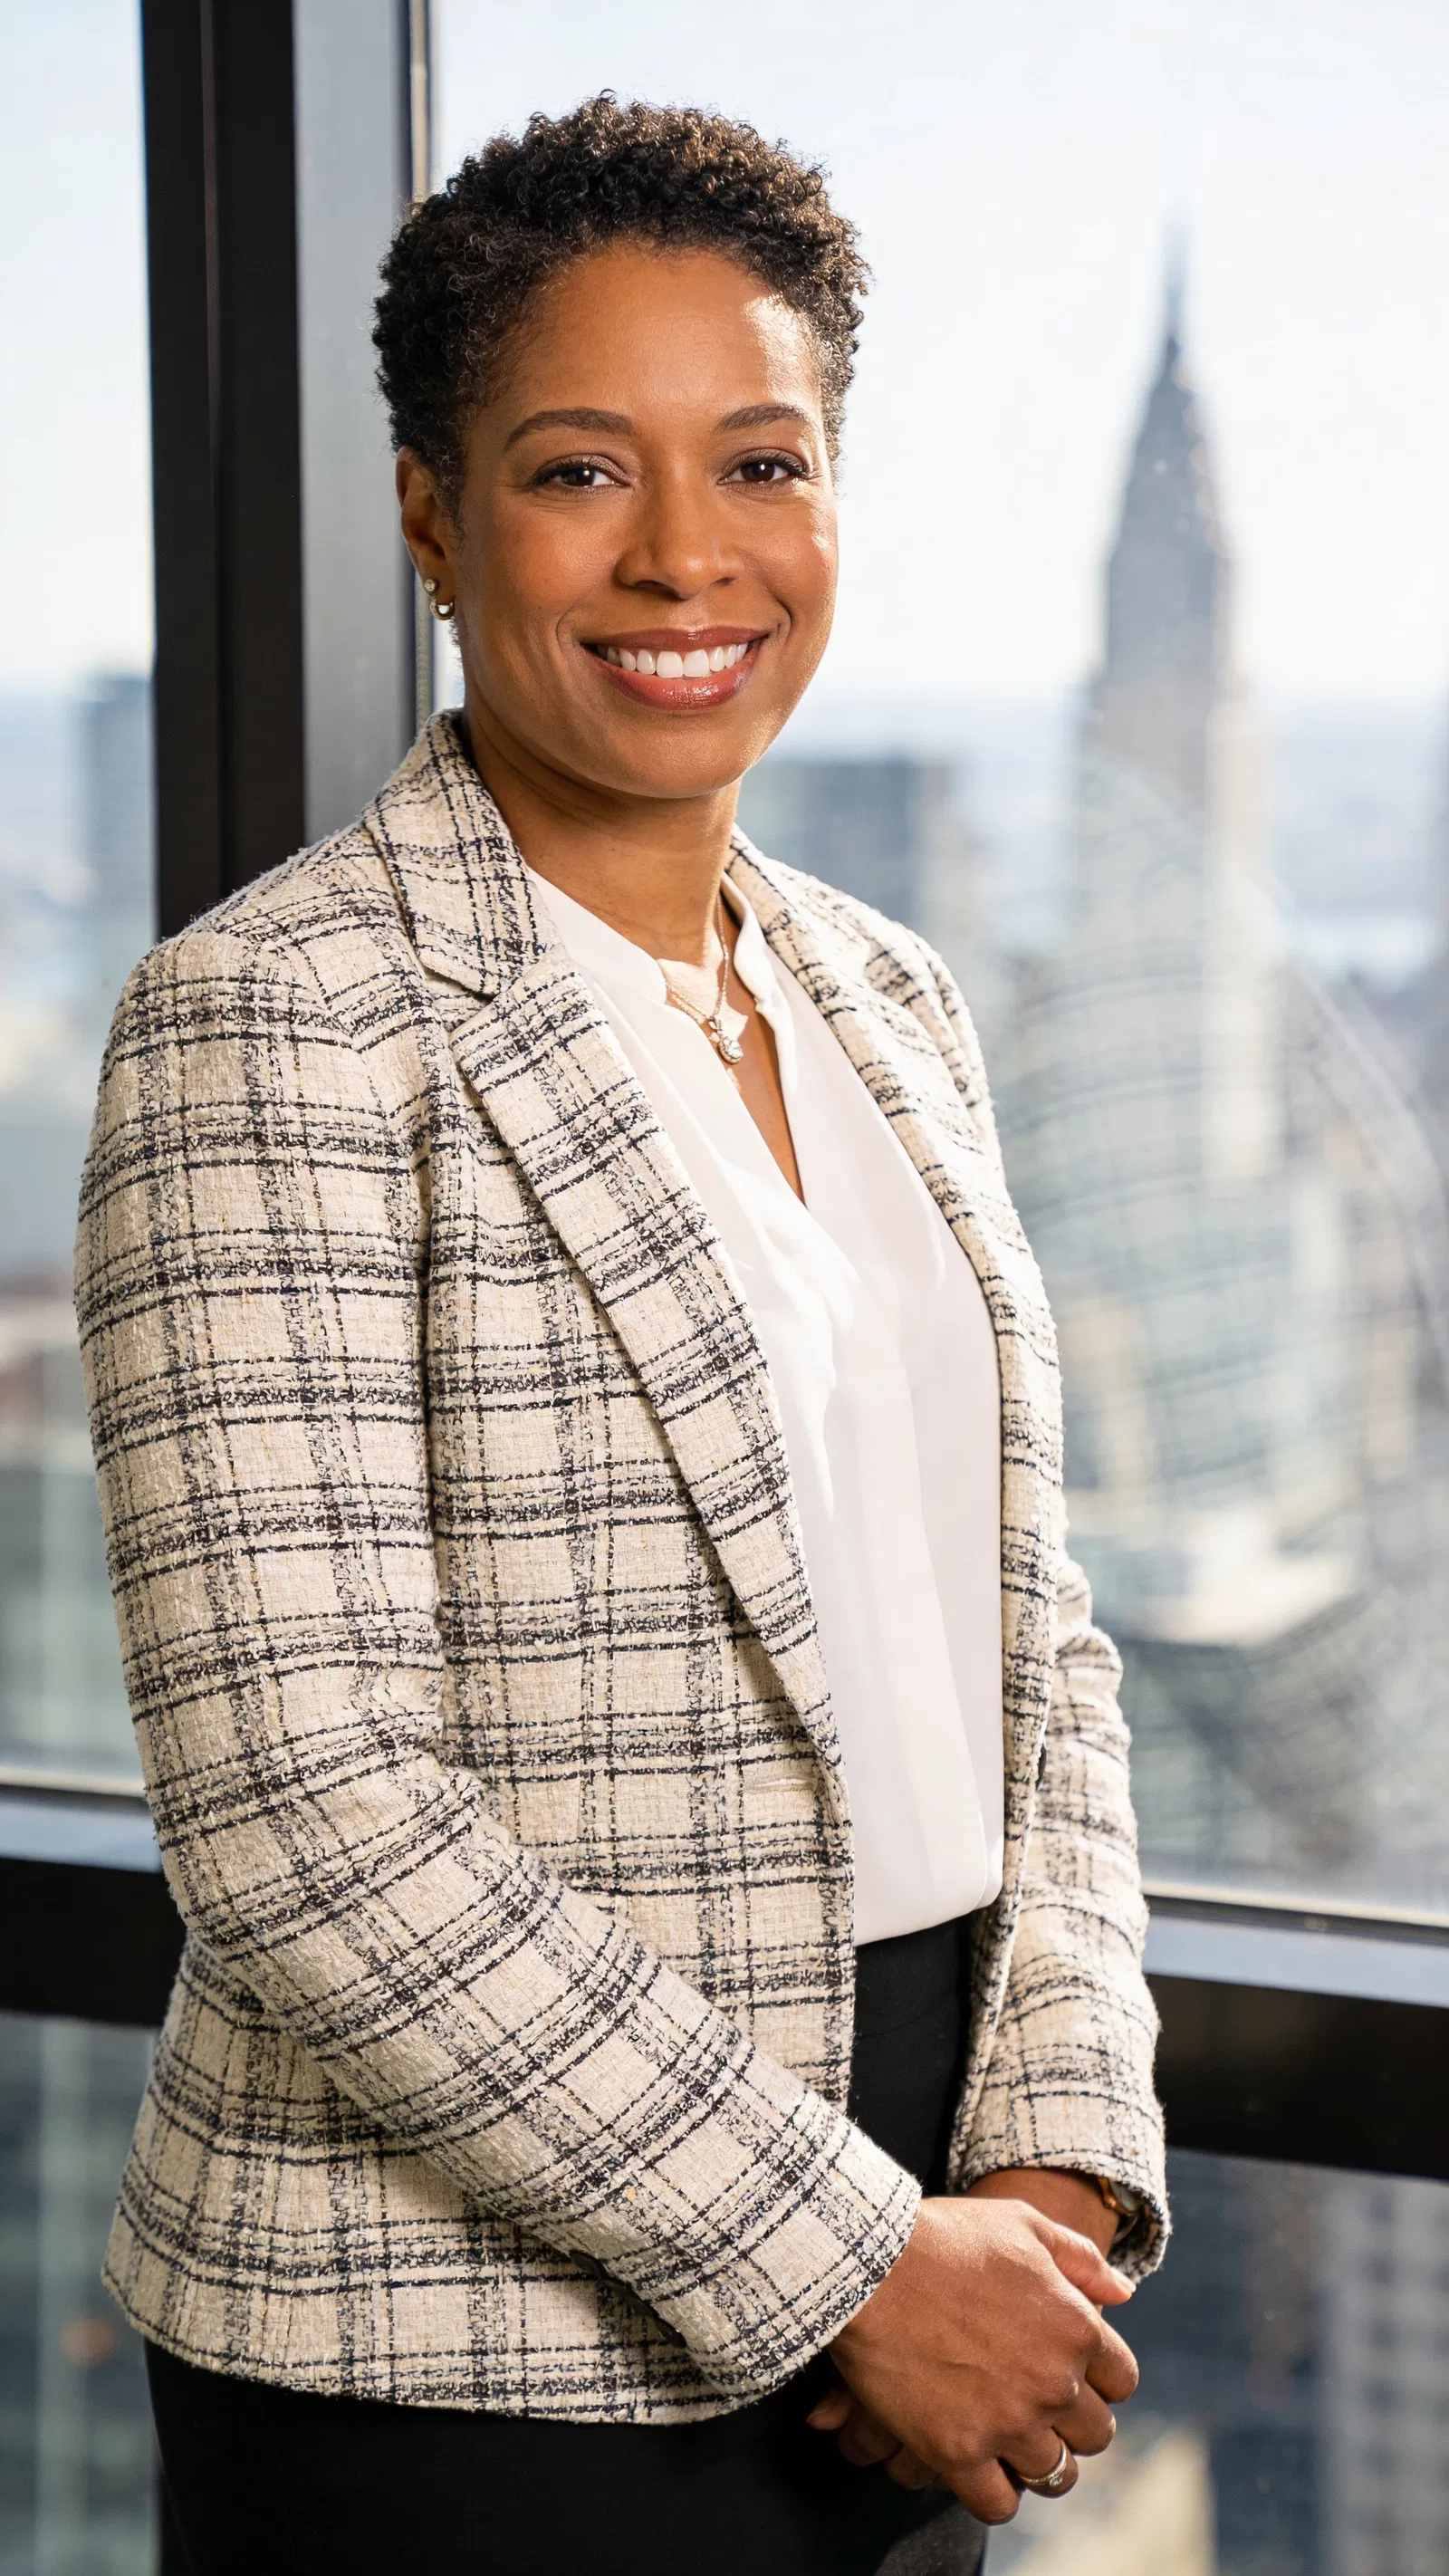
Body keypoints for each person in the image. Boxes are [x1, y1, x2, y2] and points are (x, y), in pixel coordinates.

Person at [76, 95, 1166, 2576]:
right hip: (462, 2349)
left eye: (760, 458)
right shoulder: (274, 1020)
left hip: (941, 2264)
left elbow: (1039, 1644)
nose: (688, 555)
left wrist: (1051, 2142)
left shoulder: (892, 996)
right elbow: (300, 1806)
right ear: (434, 514)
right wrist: (853, 2257)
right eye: (581, 471)